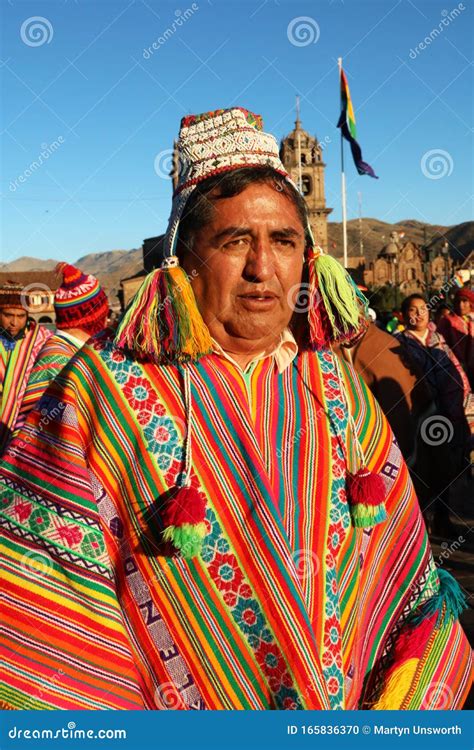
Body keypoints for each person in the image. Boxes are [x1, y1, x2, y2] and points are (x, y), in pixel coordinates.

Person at [0, 108, 471, 711]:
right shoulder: (98, 393)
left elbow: (405, 587)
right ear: (182, 256)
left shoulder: (337, 390)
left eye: (283, 241)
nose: (261, 268)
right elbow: (43, 625)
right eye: (234, 241)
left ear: (309, 258)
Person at [397, 294, 471, 536]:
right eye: (412, 309)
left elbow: (455, 373)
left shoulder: (438, 339)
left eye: (423, 309)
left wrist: (460, 406)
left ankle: (443, 517)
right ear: (404, 314)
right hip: (417, 415)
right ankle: (421, 521)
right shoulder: (399, 344)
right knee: (420, 468)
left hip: (445, 414)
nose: (418, 314)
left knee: (444, 467)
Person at [18, 263, 109, 427]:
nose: (107, 321)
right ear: (95, 319)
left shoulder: (73, 352)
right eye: (105, 314)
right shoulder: (59, 360)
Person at [0, 282, 52, 454]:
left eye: (21, 316)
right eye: (8, 315)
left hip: (25, 427)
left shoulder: (42, 340)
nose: (14, 322)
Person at [437, 287, 474, 388]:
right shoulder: (446, 321)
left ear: (470, 302)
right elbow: (440, 346)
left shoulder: (472, 320)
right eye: (458, 301)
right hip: (455, 371)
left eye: (464, 301)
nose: (461, 305)